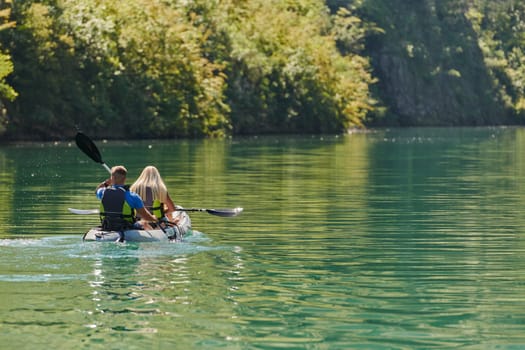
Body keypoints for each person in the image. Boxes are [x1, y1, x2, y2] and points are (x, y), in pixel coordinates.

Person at [96, 165, 157, 231]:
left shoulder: (103, 193)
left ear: (111, 178)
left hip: (107, 226)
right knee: (143, 222)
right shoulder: (133, 196)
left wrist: (105, 183)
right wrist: (154, 218)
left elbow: (97, 190)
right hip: (127, 227)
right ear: (125, 179)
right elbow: (145, 216)